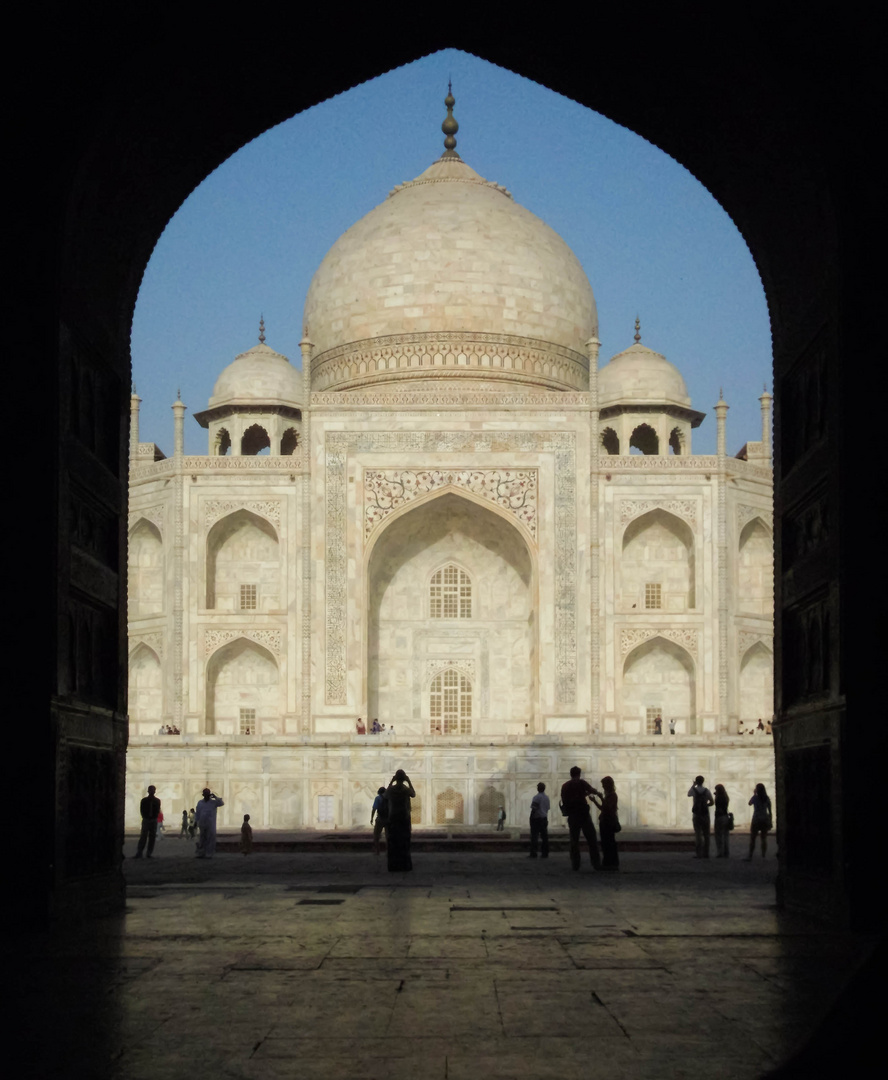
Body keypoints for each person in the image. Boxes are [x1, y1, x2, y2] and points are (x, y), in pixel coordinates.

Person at [560, 766, 602, 871]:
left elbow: (565, 799)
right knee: (591, 838)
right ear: (579, 774)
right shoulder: (581, 783)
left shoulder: (565, 786)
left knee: (574, 840)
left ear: (571, 774)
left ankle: (575, 863)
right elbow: (591, 790)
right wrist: (598, 793)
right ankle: (596, 862)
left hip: (572, 815)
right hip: (583, 814)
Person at [384, 769, 415, 871]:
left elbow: (385, 795)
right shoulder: (405, 789)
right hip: (404, 818)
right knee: (404, 843)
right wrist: (409, 781)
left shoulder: (392, 790)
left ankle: (393, 866)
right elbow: (413, 794)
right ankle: (405, 866)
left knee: (393, 842)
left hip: (393, 818)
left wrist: (391, 782)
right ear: (404, 778)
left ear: (396, 778)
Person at [590, 776, 620, 870]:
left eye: (603, 785)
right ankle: (608, 862)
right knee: (605, 843)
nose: (602, 787)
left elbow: (607, 808)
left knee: (609, 843)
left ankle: (611, 863)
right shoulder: (609, 795)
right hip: (604, 821)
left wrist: (601, 798)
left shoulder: (613, 795)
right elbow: (602, 808)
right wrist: (595, 801)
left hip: (608, 822)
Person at [744, 783, 773, 860]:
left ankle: (750, 855)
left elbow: (749, 803)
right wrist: (770, 821)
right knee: (763, 839)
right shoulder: (767, 798)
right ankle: (763, 855)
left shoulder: (755, 798)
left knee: (753, 838)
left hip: (756, 819)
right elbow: (770, 811)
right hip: (764, 819)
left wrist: (754, 794)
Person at [688, 775, 714, 858]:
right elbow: (712, 802)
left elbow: (688, 794)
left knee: (698, 834)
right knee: (706, 834)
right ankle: (706, 853)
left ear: (696, 781)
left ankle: (699, 853)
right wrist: (705, 805)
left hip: (696, 814)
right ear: (703, 781)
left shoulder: (694, 790)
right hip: (705, 814)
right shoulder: (706, 791)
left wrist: (693, 785)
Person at [194, 788, 224, 858]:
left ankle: (209, 853)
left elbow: (221, 803)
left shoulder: (213, 802)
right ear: (203, 795)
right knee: (202, 838)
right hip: (202, 823)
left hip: (211, 823)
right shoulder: (200, 803)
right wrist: (196, 821)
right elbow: (197, 813)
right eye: (205, 794)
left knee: (210, 838)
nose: (206, 795)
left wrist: (215, 797)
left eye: (208, 794)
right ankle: (201, 853)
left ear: (210, 794)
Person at [134, 785, 161, 859]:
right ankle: (139, 852)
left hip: (153, 820)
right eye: (151, 790)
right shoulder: (144, 800)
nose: (152, 791)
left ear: (155, 791)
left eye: (153, 790)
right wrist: (145, 817)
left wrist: (154, 816)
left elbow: (157, 810)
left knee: (152, 837)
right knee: (143, 836)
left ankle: (149, 853)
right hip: (146, 819)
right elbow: (141, 810)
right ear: (148, 791)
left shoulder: (157, 801)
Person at [528, 782, 550, 858]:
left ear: (538, 788)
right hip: (544, 818)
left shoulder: (537, 797)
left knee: (534, 836)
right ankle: (545, 853)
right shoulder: (546, 798)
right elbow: (547, 809)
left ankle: (533, 853)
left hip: (537, 819)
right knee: (544, 837)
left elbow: (534, 808)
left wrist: (531, 818)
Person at [713, 783, 731, 857]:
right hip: (725, 816)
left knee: (719, 836)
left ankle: (720, 852)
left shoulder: (719, 798)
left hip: (719, 817)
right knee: (725, 836)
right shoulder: (725, 797)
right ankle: (726, 852)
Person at [370, 786, 387, 856]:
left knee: (376, 835)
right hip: (388, 819)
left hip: (380, 818)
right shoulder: (388, 798)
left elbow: (374, 809)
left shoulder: (378, 798)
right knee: (388, 836)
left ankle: (377, 851)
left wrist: (371, 818)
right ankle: (388, 851)